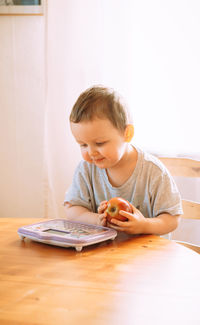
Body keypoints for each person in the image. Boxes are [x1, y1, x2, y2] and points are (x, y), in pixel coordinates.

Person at [64, 85, 183, 236]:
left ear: (127, 133)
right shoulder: (86, 169)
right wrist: (96, 220)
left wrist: (144, 225)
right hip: (104, 255)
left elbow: (172, 218)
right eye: (83, 145)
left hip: (148, 255)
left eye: (99, 143)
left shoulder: (153, 172)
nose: (91, 152)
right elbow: (73, 209)